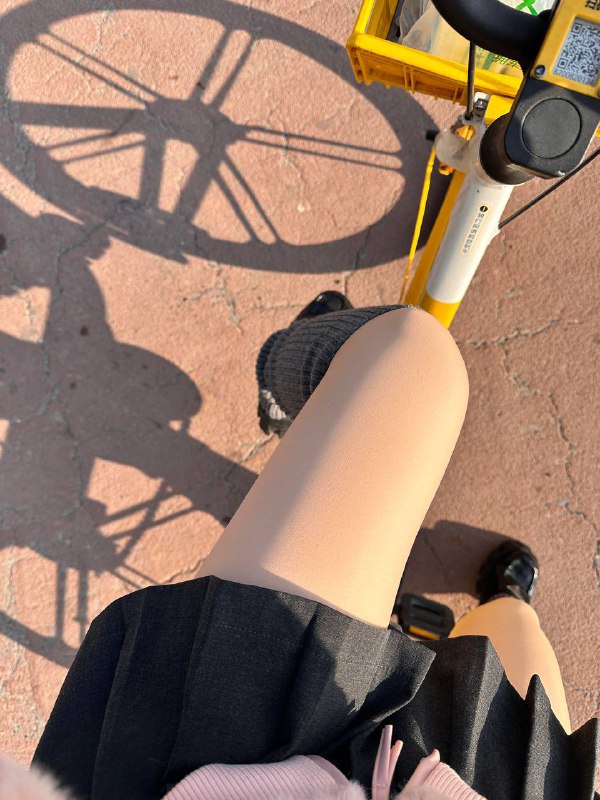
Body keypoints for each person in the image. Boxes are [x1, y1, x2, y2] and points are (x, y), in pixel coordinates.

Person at [19, 297, 599, 799]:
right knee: (516, 631)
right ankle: (505, 595)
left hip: (241, 775)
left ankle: (286, 373)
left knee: (409, 360)